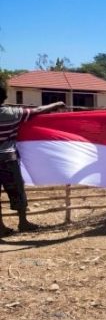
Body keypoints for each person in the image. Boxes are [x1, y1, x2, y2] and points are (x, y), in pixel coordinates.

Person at [0, 85, 65, 236]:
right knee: (17, 190)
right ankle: (23, 223)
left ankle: (1, 228)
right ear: (4, 97)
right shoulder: (12, 113)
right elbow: (38, 110)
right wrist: (56, 104)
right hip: (8, 159)